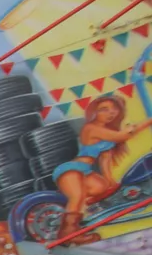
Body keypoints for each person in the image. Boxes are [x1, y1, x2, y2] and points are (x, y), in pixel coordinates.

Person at [51, 94, 152, 237]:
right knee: (77, 196)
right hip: (72, 169)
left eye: (114, 109)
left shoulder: (108, 134)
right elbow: (123, 136)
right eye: (104, 109)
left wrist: (111, 182)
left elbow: (105, 159)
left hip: (86, 171)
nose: (110, 113)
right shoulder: (91, 128)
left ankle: (86, 217)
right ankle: (68, 233)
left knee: (102, 187)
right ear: (94, 112)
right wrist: (148, 122)